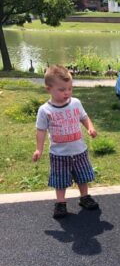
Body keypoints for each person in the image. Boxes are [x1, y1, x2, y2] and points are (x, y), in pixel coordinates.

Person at [32, 65, 99, 218]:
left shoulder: (75, 103)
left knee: (83, 176)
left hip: (79, 150)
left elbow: (84, 117)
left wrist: (90, 127)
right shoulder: (45, 110)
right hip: (58, 154)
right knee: (60, 180)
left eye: (69, 88)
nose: (67, 93)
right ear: (48, 89)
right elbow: (41, 130)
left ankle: (84, 197)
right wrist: (38, 149)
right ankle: (61, 203)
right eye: (62, 90)